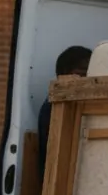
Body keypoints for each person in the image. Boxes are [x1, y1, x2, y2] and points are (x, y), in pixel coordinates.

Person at [37, 46, 92, 181]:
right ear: (62, 76)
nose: (87, 81)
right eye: (82, 74)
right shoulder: (54, 108)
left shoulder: (82, 104)